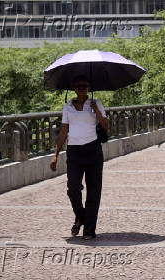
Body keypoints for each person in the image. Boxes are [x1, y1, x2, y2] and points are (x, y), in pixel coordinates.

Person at [50, 75, 108, 240]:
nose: (81, 87)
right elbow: (63, 132)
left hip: (93, 150)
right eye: (78, 85)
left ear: (89, 87)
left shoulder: (96, 104)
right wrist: (55, 155)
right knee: (73, 188)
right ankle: (81, 215)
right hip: (74, 151)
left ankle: (89, 228)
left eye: (84, 85)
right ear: (73, 88)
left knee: (94, 191)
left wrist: (96, 110)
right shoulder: (67, 107)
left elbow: (106, 126)